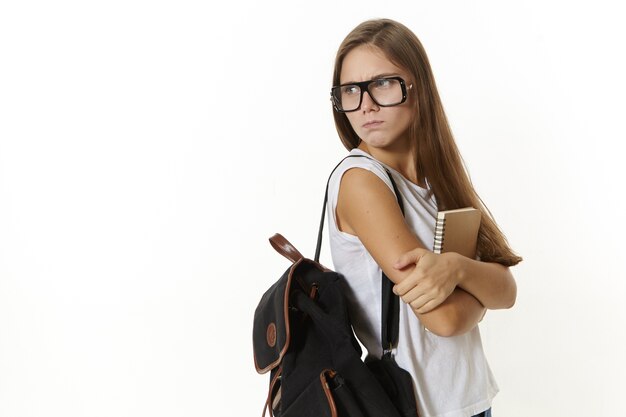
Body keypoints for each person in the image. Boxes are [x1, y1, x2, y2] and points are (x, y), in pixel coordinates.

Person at [326, 18, 522, 417]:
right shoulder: (360, 180)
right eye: (351, 90)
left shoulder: (438, 179)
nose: (365, 105)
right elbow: (446, 320)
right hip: (413, 406)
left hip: (470, 400)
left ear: (419, 88)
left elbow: (509, 290)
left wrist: (456, 270)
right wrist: (476, 284)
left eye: (382, 84)